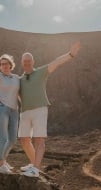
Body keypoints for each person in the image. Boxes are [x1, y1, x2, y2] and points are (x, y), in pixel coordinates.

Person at [18, 42, 81, 177]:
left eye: (29, 60)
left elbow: (56, 62)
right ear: (21, 63)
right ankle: (34, 163)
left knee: (39, 140)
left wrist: (70, 54)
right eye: (25, 61)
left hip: (40, 109)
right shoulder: (20, 80)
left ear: (33, 62)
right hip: (24, 112)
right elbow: (15, 94)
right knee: (24, 139)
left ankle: (35, 168)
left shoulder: (40, 72)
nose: (27, 63)